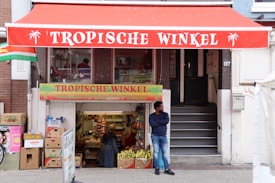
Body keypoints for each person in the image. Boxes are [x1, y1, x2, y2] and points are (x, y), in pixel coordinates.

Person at [149, 101, 175, 175]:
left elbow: (166, 121)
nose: (162, 108)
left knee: (165, 153)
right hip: (155, 136)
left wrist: (157, 122)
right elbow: (152, 124)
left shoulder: (165, 115)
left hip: (163, 136)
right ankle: (157, 168)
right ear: (157, 108)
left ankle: (167, 169)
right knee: (156, 153)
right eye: (161, 106)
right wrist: (161, 122)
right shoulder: (151, 116)